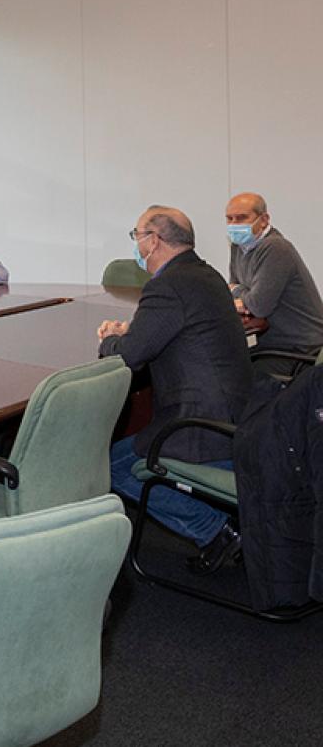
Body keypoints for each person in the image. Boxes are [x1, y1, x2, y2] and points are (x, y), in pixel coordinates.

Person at [97, 205, 252, 574]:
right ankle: (223, 519)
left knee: (106, 467)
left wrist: (108, 341)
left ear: (153, 241)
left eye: (137, 236)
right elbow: (158, 334)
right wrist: (130, 336)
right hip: (239, 415)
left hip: (201, 427)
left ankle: (214, 530)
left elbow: (130, 356)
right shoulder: (205, 275)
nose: (136, 246)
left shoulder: (167, 286)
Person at [224, 192, 323, 376]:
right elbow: (233, 292)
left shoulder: (275, 248)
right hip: (269, 341)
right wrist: (244, 294)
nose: (234, 224)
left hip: (299, 349)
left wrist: (240, 292)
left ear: (264, 220)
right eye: (230, 219)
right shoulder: (238, 247)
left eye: (242, 218)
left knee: (236, 379)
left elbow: (258, 306)